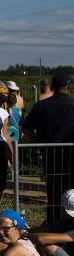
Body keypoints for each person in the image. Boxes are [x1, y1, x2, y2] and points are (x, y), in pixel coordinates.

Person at [21, 72, 74, 223]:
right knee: (71, 192)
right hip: (71, 157)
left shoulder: (41, 106)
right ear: (68, 87)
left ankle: (53, 222)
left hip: (50, 156)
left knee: (53, 193)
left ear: (52, 88)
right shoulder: (72, 106)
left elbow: (26, 128)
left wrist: (38, 144)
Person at [24, 188, 74, 256]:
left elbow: (41, 239)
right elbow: (43, 229)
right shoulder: (69, 222)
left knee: (47, 245)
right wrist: (24, 231)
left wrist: (20, 236)